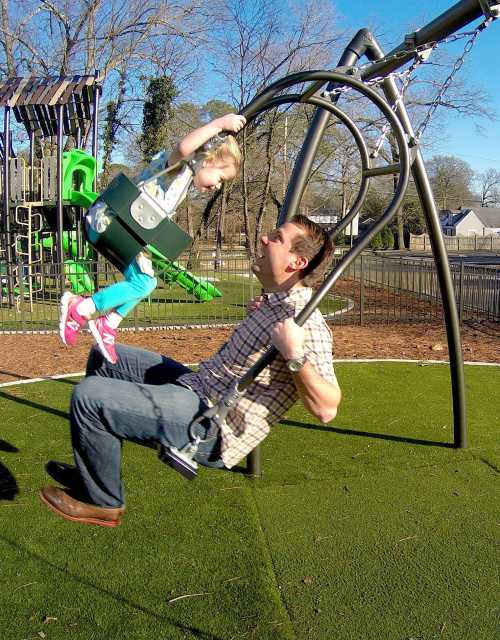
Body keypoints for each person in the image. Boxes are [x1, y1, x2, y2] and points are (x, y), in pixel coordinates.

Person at [40, 214, 342, 527]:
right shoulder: (273, 303)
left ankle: (103, 503)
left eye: (277, 238)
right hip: (198, 385)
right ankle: (94, 470)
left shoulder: (306, 324)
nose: (265, 239)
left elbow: (327, 408)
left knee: (89, 397)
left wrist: (294, 354)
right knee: (103, 359)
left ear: (297, 262)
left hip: (212, 423)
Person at [59, 113, 246, 364]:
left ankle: (108, 323)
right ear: (207, 159)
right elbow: (183, 147)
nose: (218, 186)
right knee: (144, 283)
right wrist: (219, 125)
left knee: (146, 282)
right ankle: (81, 309)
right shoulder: (177, 168)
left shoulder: (185, 182)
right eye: (220, 178)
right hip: (110, 220)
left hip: (124, 230)